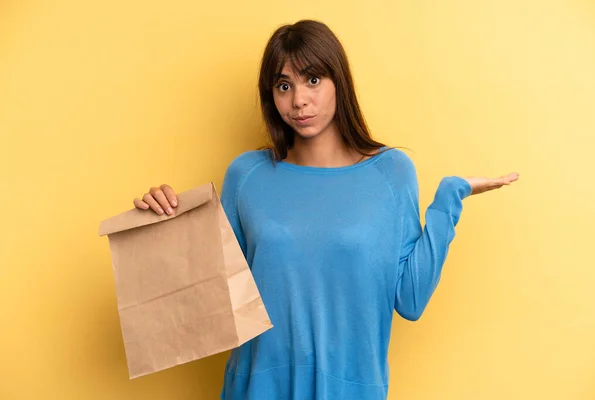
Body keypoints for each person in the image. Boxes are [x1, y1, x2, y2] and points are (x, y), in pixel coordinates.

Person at [133, 19, 518, 400]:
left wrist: (448, 200)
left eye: (313, 80)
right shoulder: (246, 175)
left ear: (339, 82)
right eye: (284, 86)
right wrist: (164, 222)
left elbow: (411, 300)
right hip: (256, 389)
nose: (299, 100)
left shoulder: (391, 173)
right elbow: (212, 297)